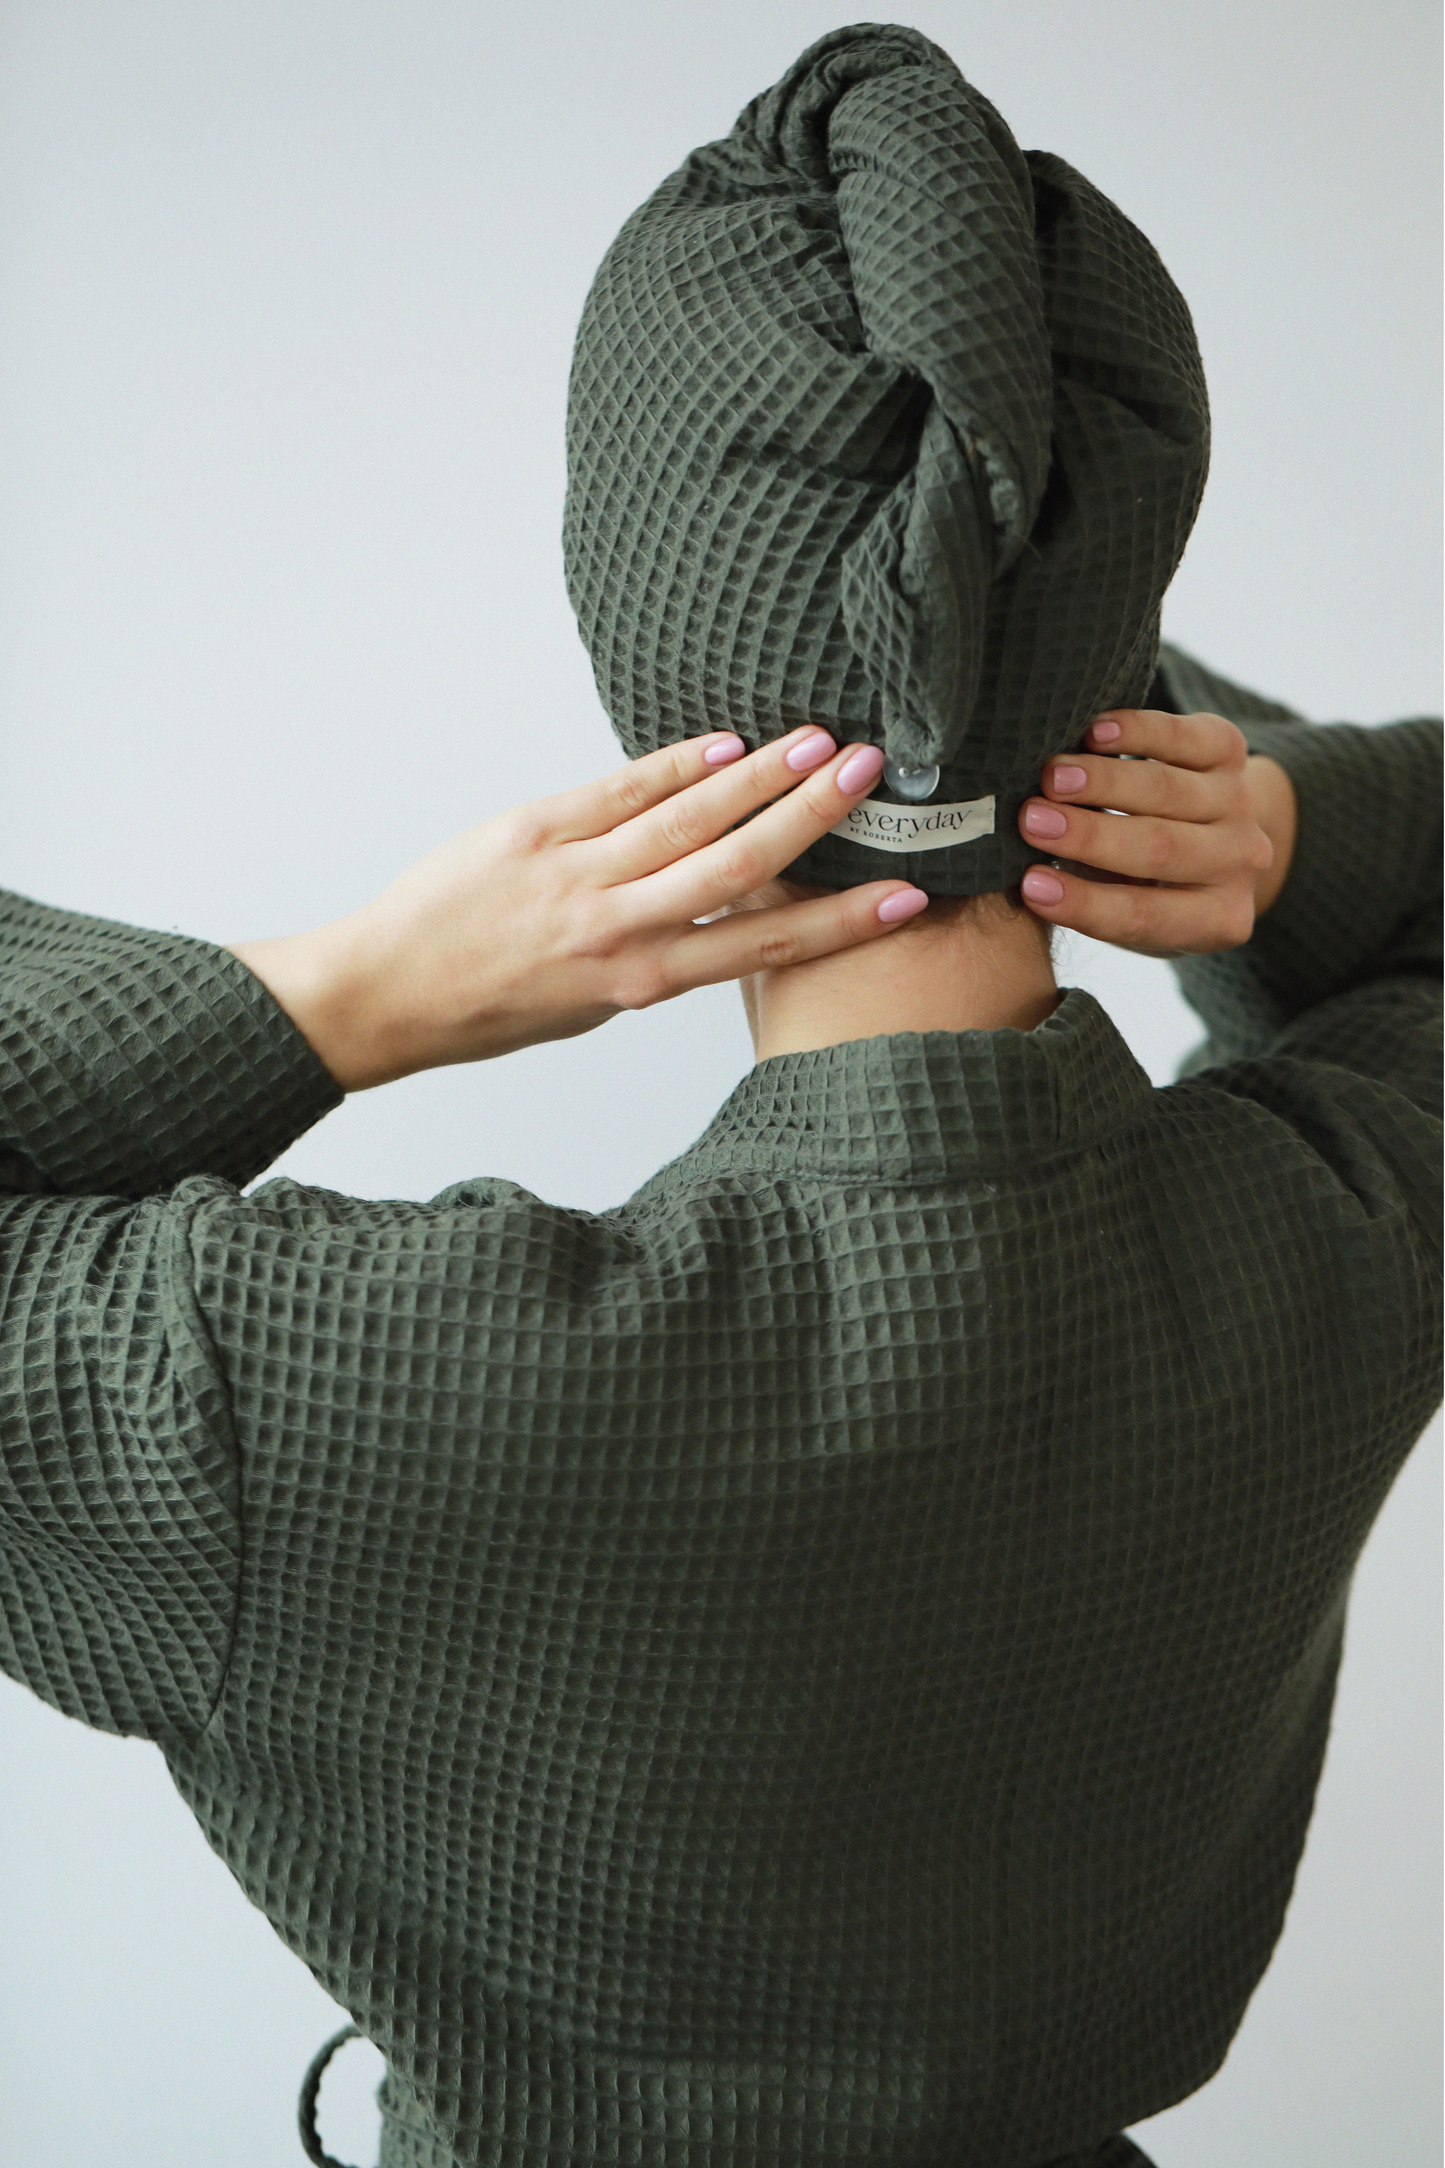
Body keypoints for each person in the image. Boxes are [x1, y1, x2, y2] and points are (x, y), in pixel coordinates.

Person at [2, 23, 1439, 2168]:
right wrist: (1277, 827)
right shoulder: (1342, 1237)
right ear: (1117, 655)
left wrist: (348, 994)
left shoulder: (271, 1395)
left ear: (641, 666)